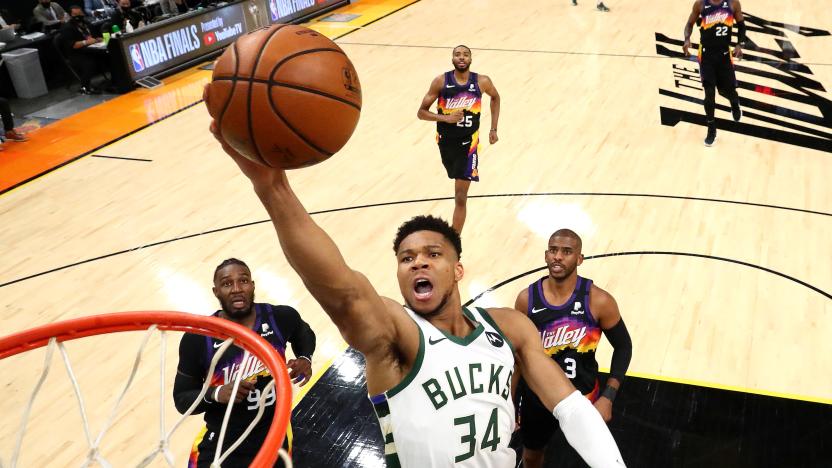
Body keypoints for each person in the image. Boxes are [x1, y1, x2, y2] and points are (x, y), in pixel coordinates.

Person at [203, 91, 625, 466]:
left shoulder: (510, 326)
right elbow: (341, 289)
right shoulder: (395, 334)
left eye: (432, 254)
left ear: (458, 270)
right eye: (406, 258)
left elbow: (570, 408)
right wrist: (273, 188)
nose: (417, 263)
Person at [173, 258, 316, 468]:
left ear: (253, 285)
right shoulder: (198, 339)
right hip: (223, 441)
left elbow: (304, 334)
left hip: (274, 436)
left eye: (243, 281)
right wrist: (217, 393)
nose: (236, 289)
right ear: (216, 292)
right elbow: (182, 398)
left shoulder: (279, 317)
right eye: (227, 283)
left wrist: (305, 358)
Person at [514, 229, 632, 468]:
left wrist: (608, 397)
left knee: (595, 460)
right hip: (537, 398)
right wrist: (511, 400)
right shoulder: (527, 299)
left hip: (583, 397)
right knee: (531, 456)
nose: (558, 256)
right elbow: (516, 356)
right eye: (553, 250)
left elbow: (623, 347)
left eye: (566, 252)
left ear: (579, 259)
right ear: (546, 255)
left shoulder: (598, 300)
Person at [417, 45, 500, 234]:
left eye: (465, 55)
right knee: (453, 178)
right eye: (457, 55)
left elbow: (495, 97)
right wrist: (446, 118)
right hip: (446, 142)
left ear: (471, 59)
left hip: (469, 144)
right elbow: (421, 113)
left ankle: (454, 243)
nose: (461, 58)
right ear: (452, 59)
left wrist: (493, 128)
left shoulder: (482, 81)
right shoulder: (440, 81)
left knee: (461, 196)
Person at [683, 0, 745, 146]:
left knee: (725, 91)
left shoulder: (733, 3)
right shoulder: (700, 4)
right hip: (706, 56)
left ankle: (734, 102)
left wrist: (739, 44)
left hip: (724, 55)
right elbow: (689, 24)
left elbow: (741, 26)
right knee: (709, 93)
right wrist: (687, 39)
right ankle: (711, 128)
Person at [58, 6, 105, 94]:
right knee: (89, 63)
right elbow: (74, 45)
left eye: (80, 14)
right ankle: (85, 87)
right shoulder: (67, 28)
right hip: (76, 54)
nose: (78, 16)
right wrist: (86, 42)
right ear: (70, 15)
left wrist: (98, 39)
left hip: (91, 49)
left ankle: (115, 79)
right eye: (75, 15)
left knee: (109, 54)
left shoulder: (87, 23)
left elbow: (95, 36)